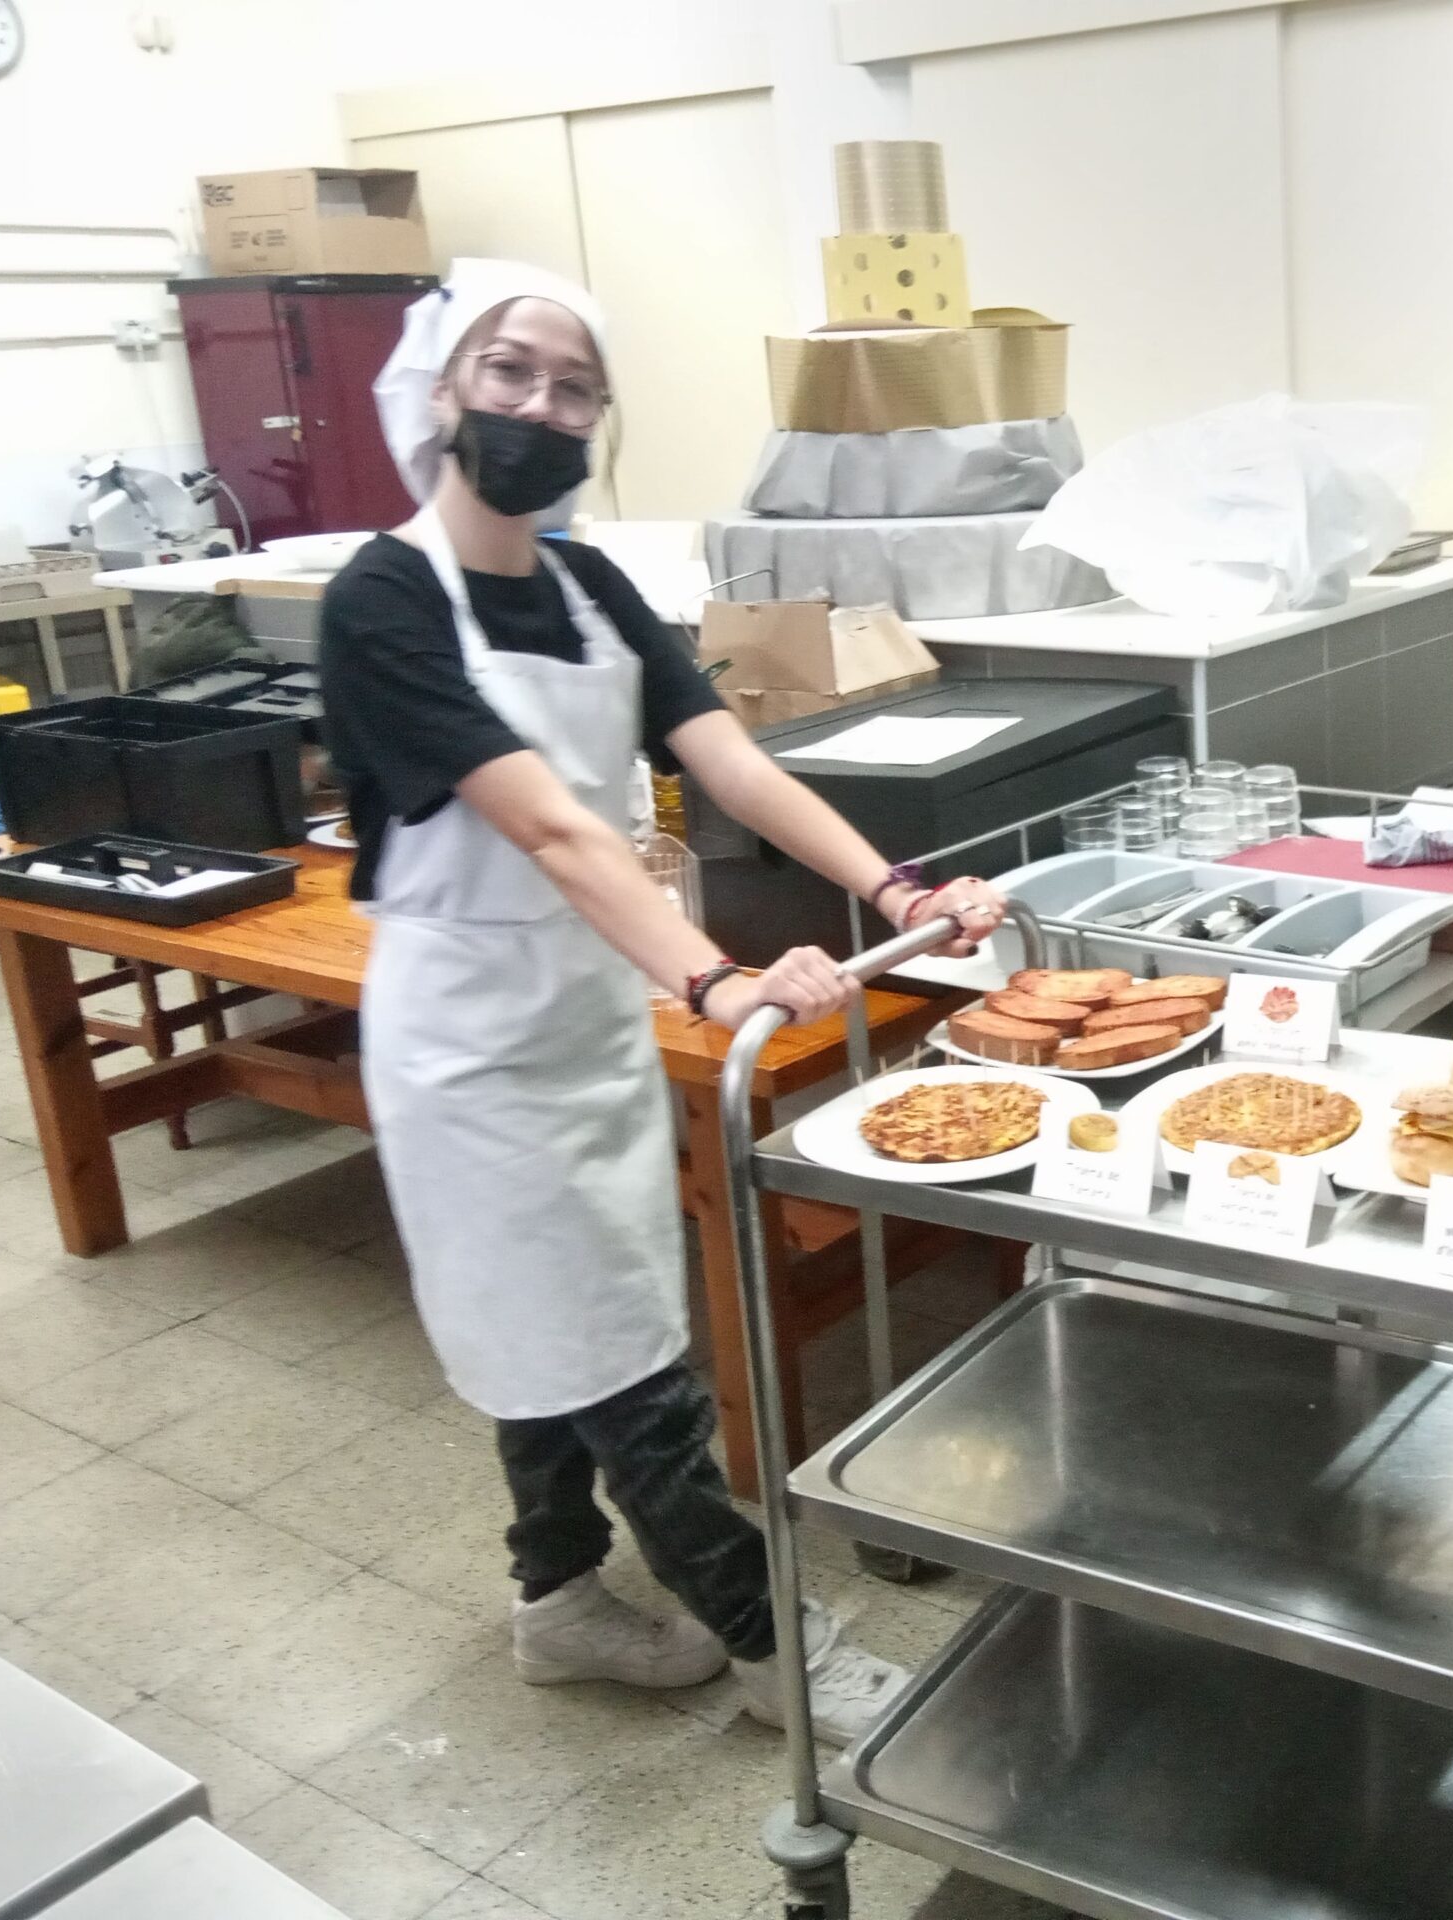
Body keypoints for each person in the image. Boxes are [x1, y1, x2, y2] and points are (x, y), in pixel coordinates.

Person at [325, 259, 1009, 1739]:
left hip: (582, 1014)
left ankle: (556, 1598)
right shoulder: (382, 601)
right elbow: (554, 830)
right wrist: (711, 974)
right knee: (623, 1366)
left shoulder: (587, 591)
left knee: (564, 1335)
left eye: (575, 388)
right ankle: (779, 1653)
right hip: (469, 1046)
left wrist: (897, 893)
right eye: (510, 373)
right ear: (442, 389)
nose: (540, 407)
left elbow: (733, 763)